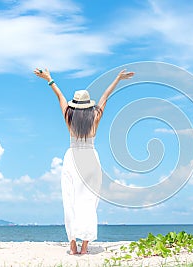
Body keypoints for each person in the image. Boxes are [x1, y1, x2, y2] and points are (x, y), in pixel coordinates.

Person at [34, 68, 134, 255]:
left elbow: (60, 96)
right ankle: (85, 247)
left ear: (74, 106)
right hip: (90, 160)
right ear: (89, 106)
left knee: (70, 201)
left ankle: (73, 245)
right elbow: (105, 96)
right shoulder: (95, 118)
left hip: (72, 159)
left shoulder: (68, 117)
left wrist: (49, 79)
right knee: (88, 203)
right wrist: (118, 79)